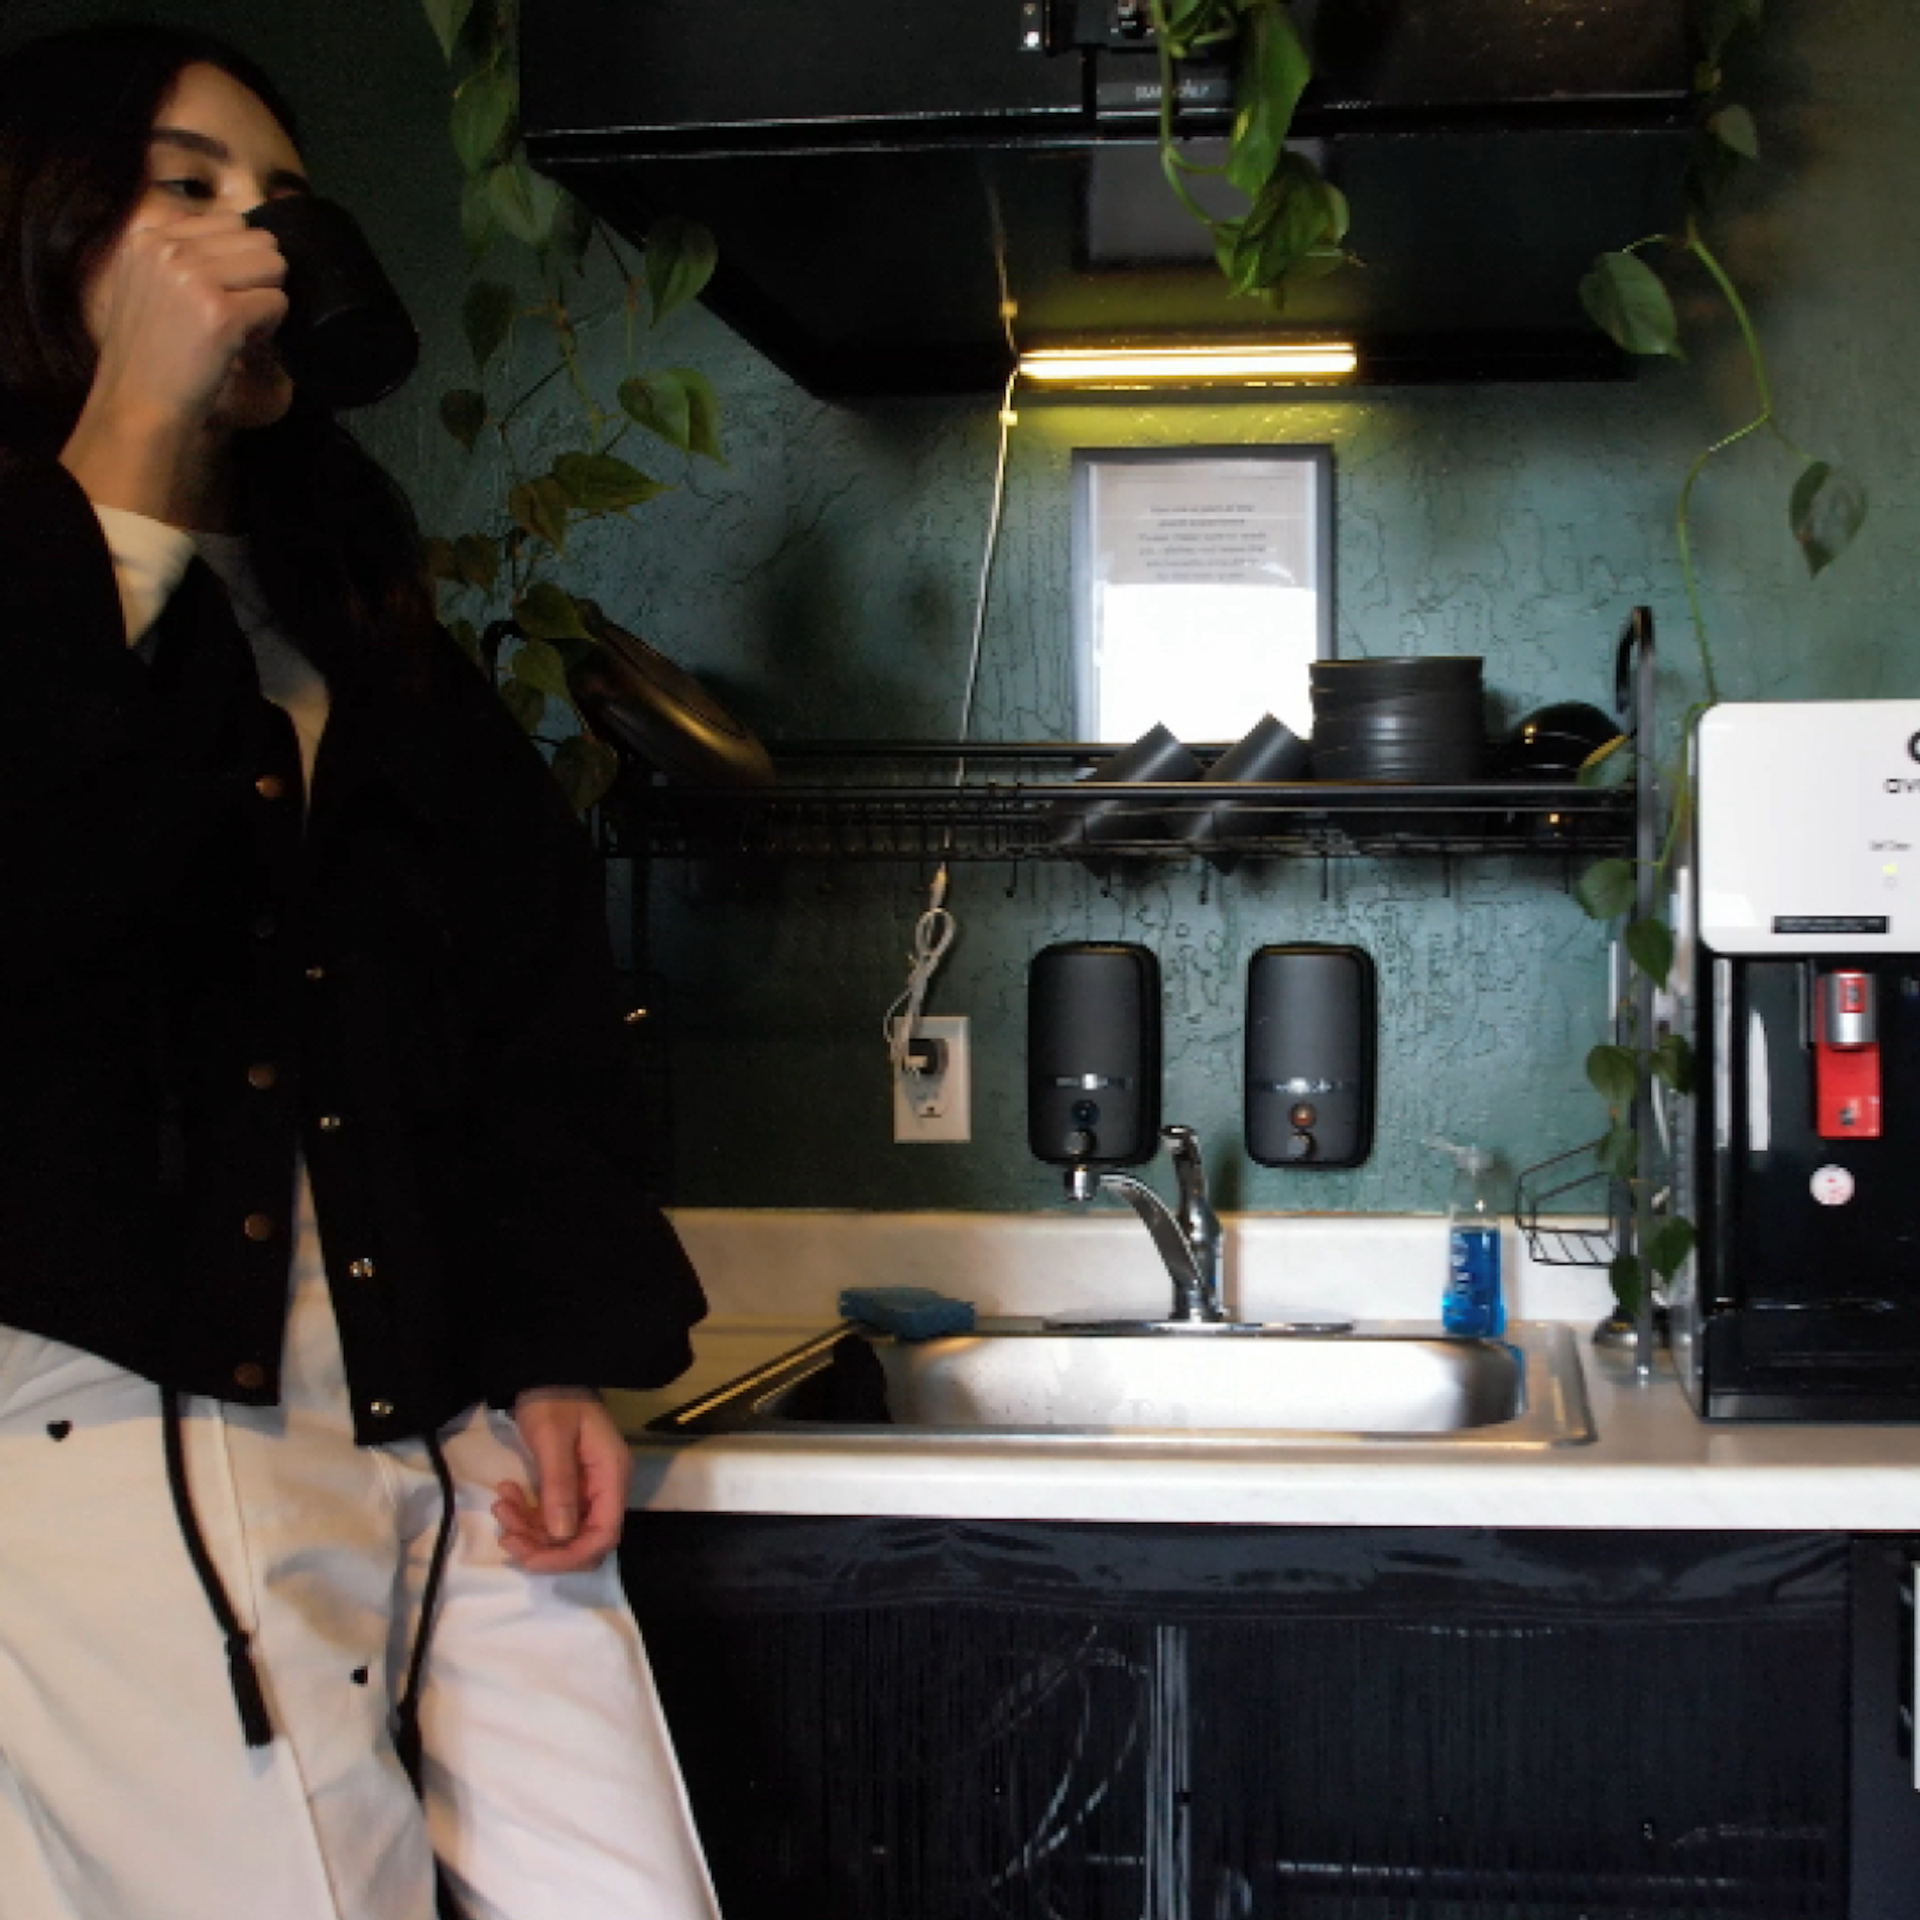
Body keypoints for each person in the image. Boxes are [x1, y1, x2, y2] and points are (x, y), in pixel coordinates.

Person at [0, 23, 721, 1920]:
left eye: (280, 204)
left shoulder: (351, 616)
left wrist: (557, 1343)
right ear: (51, 226)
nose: (250, 235)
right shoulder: (25, 588)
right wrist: (129, 450)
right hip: (131, 1419)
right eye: (185, 189)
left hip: (432, 1402)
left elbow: (526, 1000)